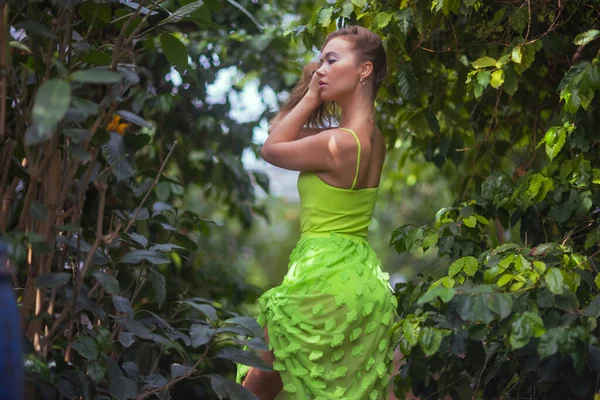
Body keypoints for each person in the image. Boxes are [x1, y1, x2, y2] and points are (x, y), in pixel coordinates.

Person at [236, 25, 400, 399]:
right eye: (320, 60)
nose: (320, 69)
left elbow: (273, 145)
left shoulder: (335, 143)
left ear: (365, 70)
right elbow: (285, 132)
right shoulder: (373, 140)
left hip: (322, 280)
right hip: (363, 282)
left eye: (331, 59)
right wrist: (315, 86)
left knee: (254, 389)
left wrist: (310, 98)